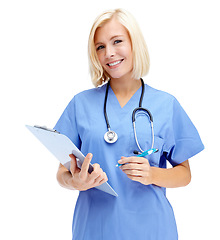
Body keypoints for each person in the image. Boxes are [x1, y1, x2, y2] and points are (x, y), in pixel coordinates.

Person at [55, 8, 204, 240]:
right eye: (100, 47)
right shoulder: (80, 104)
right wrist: (75, 182)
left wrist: (152, 174)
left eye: (117, 42)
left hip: (152, 230)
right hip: (95, 229)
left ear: (135, 43)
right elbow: (62, 173)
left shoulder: (166, 104)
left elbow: (184, 175)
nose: (109, 54)